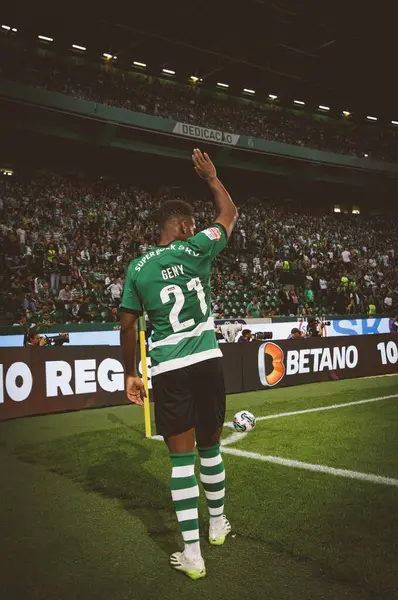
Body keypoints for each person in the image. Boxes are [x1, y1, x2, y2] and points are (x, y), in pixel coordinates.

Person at [120, 149, 237, 580]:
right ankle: (219, 524)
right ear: (186, 226)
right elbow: (229, 212)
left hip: (169, 368)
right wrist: (211, 177)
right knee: (212, 448)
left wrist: (131, 372)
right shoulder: (198, 246)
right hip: (207, 361)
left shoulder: (138, 267)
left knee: (181, 461)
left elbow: (128, 326)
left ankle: (193, 554)